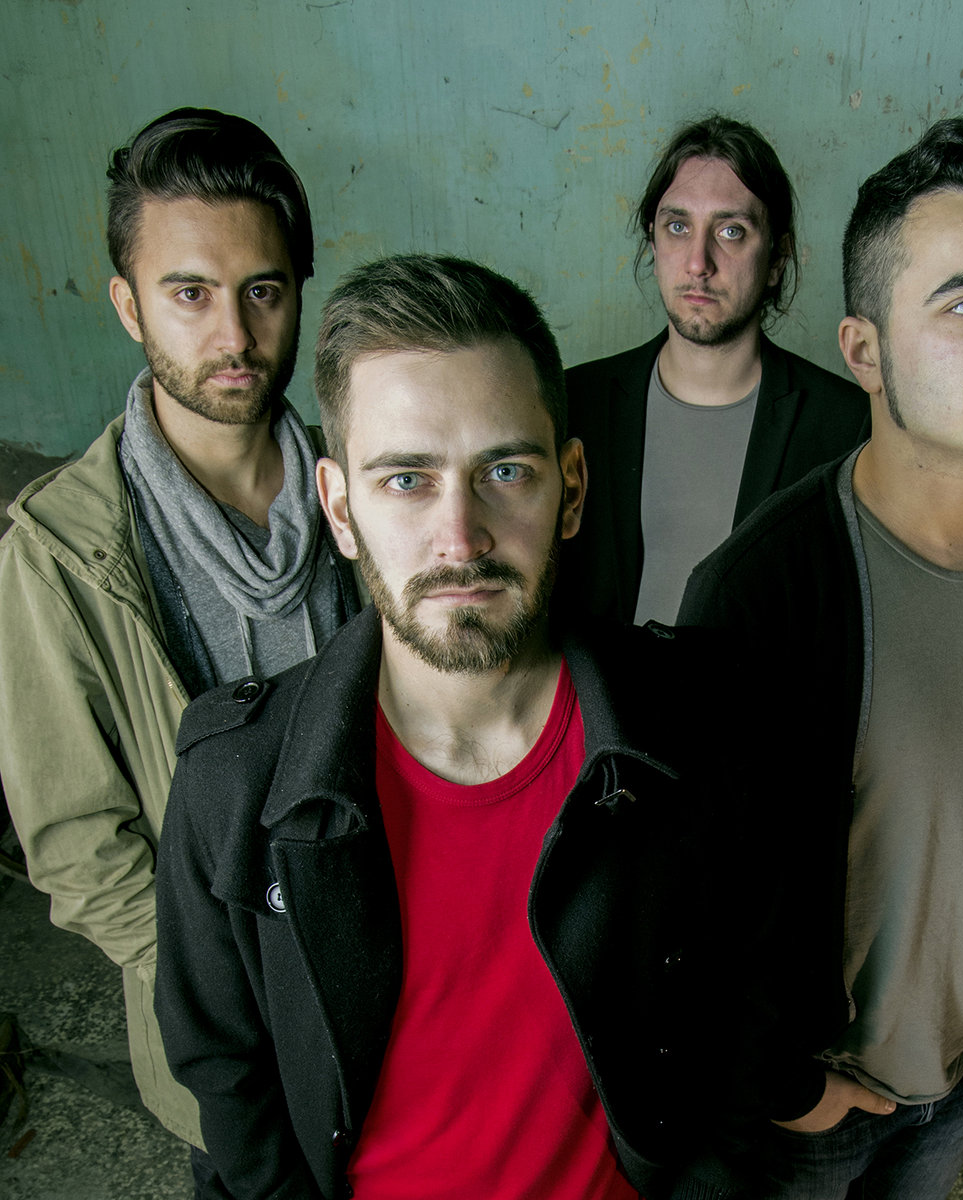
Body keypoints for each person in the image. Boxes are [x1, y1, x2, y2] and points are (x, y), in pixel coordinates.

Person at [153, 253, 841, 1200]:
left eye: (505, 471)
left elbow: (749, 1008)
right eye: (406, 480)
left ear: (572, 486)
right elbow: (226, 1072)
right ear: (340, 509)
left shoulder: (698, 730)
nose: (461, 537)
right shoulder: (233, 785)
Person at [678, 117, 963, 1198]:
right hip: (813, 1106)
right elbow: (703, 899)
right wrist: (787, 1086)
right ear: (864, 351)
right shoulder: (762, 589)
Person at [0, 108, 357, 1156]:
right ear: (128, 304)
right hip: (224, 1034)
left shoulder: (361, 483)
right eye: (190, 294)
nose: (235, 337)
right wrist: (218, 991)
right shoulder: (62, 552)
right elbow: (77, 845)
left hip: (384, 977)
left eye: (263, 291)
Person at [560, 113, 868, 624]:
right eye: (678, 227)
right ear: (652, 243)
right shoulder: (575, 401)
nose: (698, 262)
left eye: (731, 231)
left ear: (777, 258)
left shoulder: (846, 425)